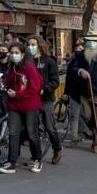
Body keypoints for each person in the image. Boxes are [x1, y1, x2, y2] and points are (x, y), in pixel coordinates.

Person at [0, 42, 44, 174]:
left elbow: (34, 88)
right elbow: (7, 80)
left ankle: (37, 159)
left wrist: (17, 94)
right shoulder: (11, 68)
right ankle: (11, 161)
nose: (13, 55)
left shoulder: (29, 68)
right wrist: (2, 81)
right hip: (14, 106)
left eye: (16, 53)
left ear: (23, 54)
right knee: (13, 133)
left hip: (30, 105)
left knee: (31, 133)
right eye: (11, 53)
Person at [27, 35, 63, 165]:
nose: (31, 47)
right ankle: (35, 156)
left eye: (33, 44)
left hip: (45, 99)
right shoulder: (27, 61)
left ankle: (57, 148)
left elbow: (55, 81)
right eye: (29, 44)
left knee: (49, 126)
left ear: (39, 45)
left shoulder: (49, 61)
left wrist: (45, 89)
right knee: (31, 129)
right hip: (30, 99)